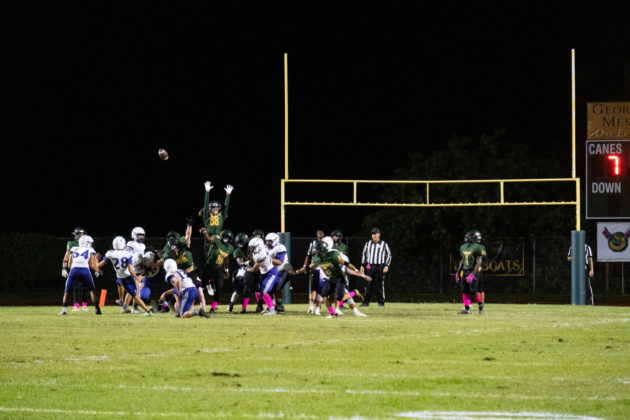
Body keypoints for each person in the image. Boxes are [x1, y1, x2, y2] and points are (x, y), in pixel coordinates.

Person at [98, 236, 152, 316]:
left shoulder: (110, 253)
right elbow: (130, 269)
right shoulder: (127, 254)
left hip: (123, 278)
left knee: (133, 293)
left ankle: (146, 311)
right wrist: (136, 278)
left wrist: (97, 267)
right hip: (127, 276)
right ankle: (125, 303)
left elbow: (101, 264)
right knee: (133, 292)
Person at [59, 235, 102, 315]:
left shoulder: (73, 248)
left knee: (67, 291)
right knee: (92, 290)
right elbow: (92, 265)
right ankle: (97, 309)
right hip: (85, 270)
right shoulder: (90, 249)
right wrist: (99, 270)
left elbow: (69, 265)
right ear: (87, 243)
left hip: (74, 270)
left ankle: (64, 310)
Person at [201, 229, 235, 313]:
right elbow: (208, 239)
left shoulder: (230, 248)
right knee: (201, 286)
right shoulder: (216, 240)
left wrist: (226, 270)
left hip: (219, 268)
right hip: (209, 266)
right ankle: (208, 283)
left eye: (228, 237)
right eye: (224, 237)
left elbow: (226, 258)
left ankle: (213, 308)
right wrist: (205, 232)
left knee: (219, 288)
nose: (226, 239)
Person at [455, 230, 486, 314]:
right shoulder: (463, 247)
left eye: (469, 236)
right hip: (465, 270)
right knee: (464, 290)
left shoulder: (479, 247)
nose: (467, 237)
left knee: (473, 290)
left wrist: (473, 273)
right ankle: (467, 309)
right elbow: (462, 260)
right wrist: (457, 272)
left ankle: (480, 305)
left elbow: (479, 262)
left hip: (473, 270)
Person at [360, 227, 392, 307]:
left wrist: (386, 266)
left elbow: (389, 255)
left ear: (379, 235)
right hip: (369, 266)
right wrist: (362, 265)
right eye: (372, 234)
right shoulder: (368, 243)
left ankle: (381, 302)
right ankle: (366, 302)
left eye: (375, 234)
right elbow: (364, 254)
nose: (373, 235)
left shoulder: (384, 244)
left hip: (379, 266)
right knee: (368, 284)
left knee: (379, 284)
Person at [61, 227, 89, 312]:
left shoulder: (88, 243)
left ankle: (84, 305)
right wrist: (64, 268)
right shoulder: (72, 243)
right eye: (81, 234)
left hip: (85, 267)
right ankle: (76, 306)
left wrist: (96, 267)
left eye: (83, 234)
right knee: (76, 287)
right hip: (75, 268)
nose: (82, 235)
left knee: (85, 288)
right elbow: (67, 256)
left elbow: (92, 257)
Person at [247, 237, 278, 315]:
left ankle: (272, 310)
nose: (251, 249)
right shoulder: (259, 251)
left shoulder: (261, 253)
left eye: (252, 247)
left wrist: (251, 269)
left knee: (264, 291)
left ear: (258, 246)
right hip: (265, 273)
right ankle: (269, 307)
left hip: (271, 273)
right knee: (262, 292)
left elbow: (256, 267)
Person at [302, 228, 325, 314]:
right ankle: (311, 306)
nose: (319, 234)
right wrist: (305, 266)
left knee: (320, 289)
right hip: (314, 269)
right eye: (318, 233)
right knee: (313, 288)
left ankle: (318, 308)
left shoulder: (327, 244)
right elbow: (308, 255)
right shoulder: (312, 243)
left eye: (321, 233)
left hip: (323, 269)